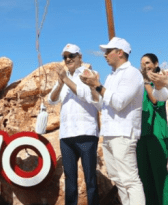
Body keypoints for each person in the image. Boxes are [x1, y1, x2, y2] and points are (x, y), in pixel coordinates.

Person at [80, 37, 145, 205]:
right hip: (110, 134)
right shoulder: (111, 76)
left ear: (120, 53)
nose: (105, 55)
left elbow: (119, 102)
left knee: (130, 180)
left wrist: (98, 85)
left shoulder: (132, 73)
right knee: (119, 180)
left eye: (108, 51)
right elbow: (103, 106)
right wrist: (92, 86)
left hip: (123, 133)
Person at [48, 44, 99, 205]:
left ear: (80, 57)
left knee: (90, 178)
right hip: (66, 135)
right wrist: (61, 82)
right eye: (65, 57)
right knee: (70, 177)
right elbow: (52, 99)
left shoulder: (88, 74)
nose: (68, 59)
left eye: (71, 55)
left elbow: (85, 95)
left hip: (86, 133)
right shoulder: (64, 77)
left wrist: (66, 80)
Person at [137, 53, 168, 205]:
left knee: (160, 176)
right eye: (142, 63)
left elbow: (157, 101)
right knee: (144, 177)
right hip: (141, 135)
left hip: (157, 134)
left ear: (156, 64)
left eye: (148, 62)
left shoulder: (161, 81)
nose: (145, 66)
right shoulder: (138, 83)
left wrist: (146, 82)